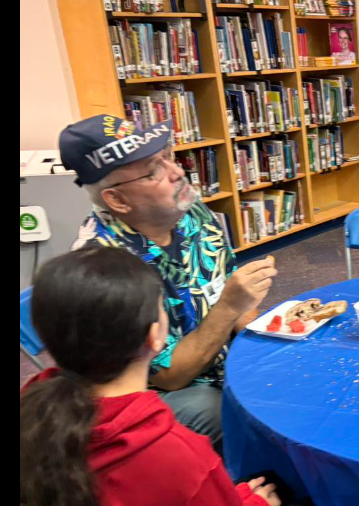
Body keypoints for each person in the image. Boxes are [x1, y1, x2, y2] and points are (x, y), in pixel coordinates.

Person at [20, 247, 333, 506]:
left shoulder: (35, 409)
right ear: (155, 338)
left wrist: (235, 501)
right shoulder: (177, 452)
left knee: (261, 483)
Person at [60, 115, 278, 452]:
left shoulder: (191, 213)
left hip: (217, 361)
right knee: (220, 413)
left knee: (292, 370)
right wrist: (231, 306)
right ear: (117, 200)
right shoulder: (102, 267)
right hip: (153, 397)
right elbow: (172, 377)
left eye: (167, 156)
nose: (176, 172)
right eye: (153, 170)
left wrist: (267, 338)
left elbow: (228, 291)